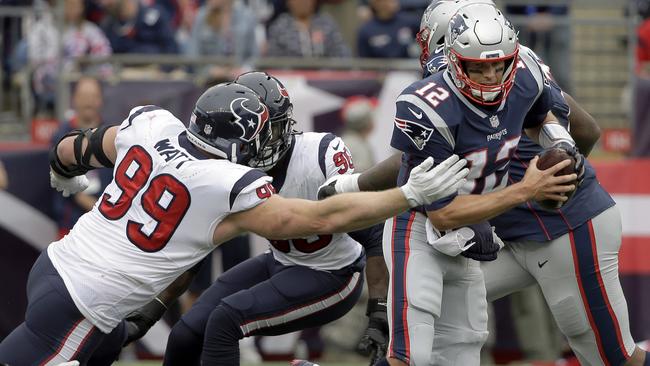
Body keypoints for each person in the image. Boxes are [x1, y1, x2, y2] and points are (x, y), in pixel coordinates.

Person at [0, 80, 469, 365]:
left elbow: (73, 148)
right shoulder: (225, 182)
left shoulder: (153, 125)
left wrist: (64, 174)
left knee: (106, 349)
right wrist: (407, 195)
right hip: (86, 303)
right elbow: (322, 214)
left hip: (56, 267)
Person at [322, 1, 650, 365]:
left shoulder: (517, 76)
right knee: (425, 327)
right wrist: (352, 187)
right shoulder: (446, 97)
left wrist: (562, 177)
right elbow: (421, 164)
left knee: (613, 358)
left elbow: (583, 129)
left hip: (562, 228)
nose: (491, 75)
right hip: (503, 230)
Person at [50, 76, 112, 238]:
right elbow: (65, 181)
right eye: (84, 97)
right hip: (71, 225)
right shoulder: (62, 135)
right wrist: (100, 210)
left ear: (101, 100)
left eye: (93, 97)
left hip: (106, 228)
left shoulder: (112, 135)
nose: (88, 102)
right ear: (74, 100)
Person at [266, 0, 351, 58]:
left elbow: (343, 54)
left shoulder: (327, 23)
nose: (303, 1)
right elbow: (273, 60)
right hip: (291, 80)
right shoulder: (279, 26)